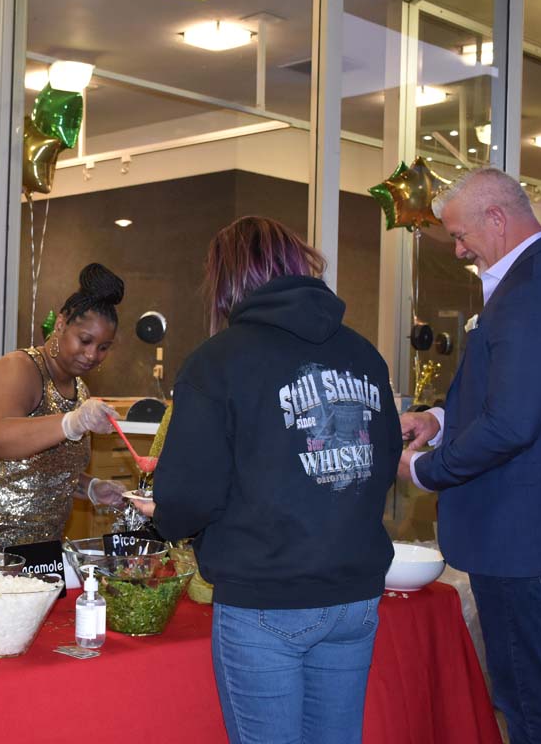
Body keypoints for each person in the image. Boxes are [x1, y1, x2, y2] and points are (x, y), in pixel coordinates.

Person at [130, 217, 402, 744]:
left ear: (228, 280)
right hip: (355, 598)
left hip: (266, 599)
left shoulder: (218, 362)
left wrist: (165, 515)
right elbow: (380, 463)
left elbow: (190, 493)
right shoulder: (363, 355)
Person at [398, 167, 541, 744]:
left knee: (526, 701)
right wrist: (439, 421)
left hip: (525, 528)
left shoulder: (534, 286)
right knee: (527, 696)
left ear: (496, 217)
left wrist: (426, 469)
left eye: (460, 234)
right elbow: (530, 401)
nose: (458, 249)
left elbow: (512, 423)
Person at [0, 263, 128, 548]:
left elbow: (44, 469)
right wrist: (73, 423)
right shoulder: (19, 368)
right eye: (85, 340)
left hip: (35, 550)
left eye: (103, 347)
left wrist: (92, 488)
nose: (92, 354)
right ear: (60, 324)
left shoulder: (80, 392)